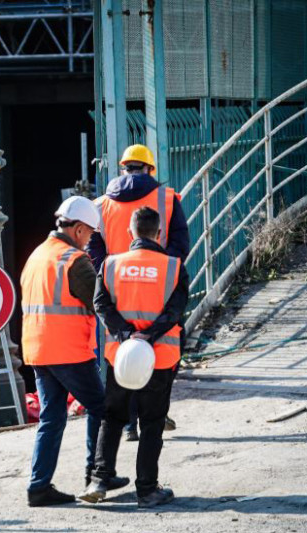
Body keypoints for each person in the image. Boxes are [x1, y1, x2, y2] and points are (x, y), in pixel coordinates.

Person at [20, 196, 129, 507]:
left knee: (51, 417)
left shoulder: (37, 255)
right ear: (79, 229)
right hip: (68, 350)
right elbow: (99, 300)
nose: (90, 240)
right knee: (102, 409)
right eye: (91, 234)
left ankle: (38, 487)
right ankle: (97, 475)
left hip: (38, 350)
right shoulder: (73, 260)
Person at [84, 207, 189, 508]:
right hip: (160, 358)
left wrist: (125, 334)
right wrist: (149, 335)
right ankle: (147, 490)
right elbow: (176, 310)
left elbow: (100, 304)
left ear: (131, 233)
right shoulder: (173, 267)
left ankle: (99, 480)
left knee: (113, 417)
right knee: (152, 422)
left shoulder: (110, 264)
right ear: (159, 234)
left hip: (121, 357)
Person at [87, 144, 189, 440]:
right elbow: (181, 243)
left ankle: (130, 423)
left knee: (122, 353)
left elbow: (94, 249)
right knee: (165, 349)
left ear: (123, 168)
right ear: (149, 169)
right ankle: (154, 414)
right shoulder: (166, 198)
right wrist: (163, 271)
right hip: (158, 287)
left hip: (117, 290)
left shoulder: (101, 205)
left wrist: (109, 273)